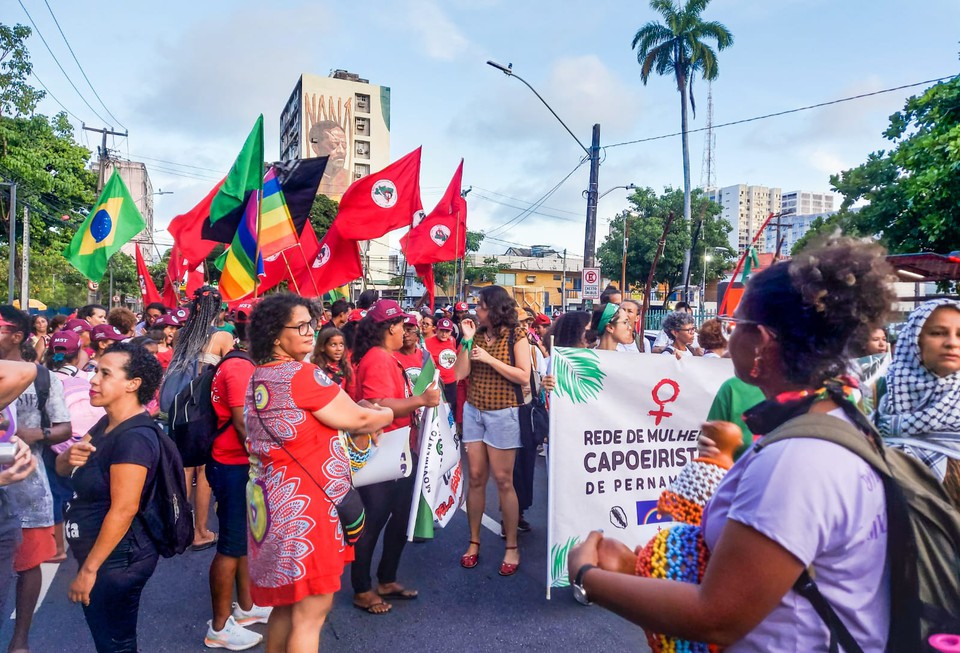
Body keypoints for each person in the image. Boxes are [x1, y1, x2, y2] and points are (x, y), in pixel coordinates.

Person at [567, 236, 896, 651]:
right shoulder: (838, 418)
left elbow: (717, 617)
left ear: (761, 341)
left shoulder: (794, 463)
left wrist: (588, 578)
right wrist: (636, 566)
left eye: (734, 325)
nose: (726, 335)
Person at [244, 294, 393, 650]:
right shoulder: (302, 374)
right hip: (308, 510)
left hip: (270, 506)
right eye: (300, 326)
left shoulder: (258, 377)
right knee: (311, 616)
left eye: (310, 323)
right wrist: (385, 414)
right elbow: (358, 418)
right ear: (275, 336)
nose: (311, 331)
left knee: (284, 607)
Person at [56, 342, 164, 653]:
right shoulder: (107, 423)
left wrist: (88, 571)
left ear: (133, 384)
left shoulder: (134, 439)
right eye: (95, 371)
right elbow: (66, 467)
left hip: (117, 562)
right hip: (104, 557)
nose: (93, 379)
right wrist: (67, 458)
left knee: (115, 645)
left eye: (105, 373)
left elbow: (124, 509)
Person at [350, 300, 440, 614]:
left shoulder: (386, 357)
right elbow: (376, 404)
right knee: (374, 520)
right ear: (390, 327)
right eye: (403, 325)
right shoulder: (378, 358)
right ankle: (362, 588)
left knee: (402, 517)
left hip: (399, 447)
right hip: (382, 448)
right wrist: (421, 400)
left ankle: (386, 579)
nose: (407, 331)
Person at [0, 305, 73, 653]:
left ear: (17, 335)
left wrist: (34, 433)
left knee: (28, 565)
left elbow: (65, 429)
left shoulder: (44, 378)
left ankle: (20, 640)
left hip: (27, 488)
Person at [454, 286, 530, 577]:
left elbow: (523, 375)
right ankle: (474, 542)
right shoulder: (475, 336)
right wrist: (468, 341)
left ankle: (511, 545)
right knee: (475, 478)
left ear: (495, 309)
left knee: (503, 480)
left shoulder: (516, 335)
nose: (476, 310)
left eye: (481, 306)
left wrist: (488, 359)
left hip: (503, 413)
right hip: (474, 411)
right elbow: (460, 373)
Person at [203, 337, 267, 650]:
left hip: (236, 463)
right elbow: (244, 424)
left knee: (242, 540)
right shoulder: (240, 367)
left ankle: (245, 607)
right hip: (232, 464)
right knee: (230, 545)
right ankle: (218, 628)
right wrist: (267, 458)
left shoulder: (240, 363)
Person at [164, 286, 235, 551]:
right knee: (205, 470)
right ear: (219, 310)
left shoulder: (181, 335)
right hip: (204, 410)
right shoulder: (222, 338)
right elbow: (231, 372)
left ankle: (178, 528)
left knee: (183, 469)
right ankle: (199, 531)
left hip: (176, 409)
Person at [874, 298, 960, 503]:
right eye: (937, 333)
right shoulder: (879, 396)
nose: (951, 342)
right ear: (915, 340)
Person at [44, 330, 107, 563]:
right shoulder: (90, 378)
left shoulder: (43, 378)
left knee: (56, 494)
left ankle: (58, 548)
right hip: (89, 442)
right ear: (79, 351)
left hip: (54, 445)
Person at [308, 120, 350, 197]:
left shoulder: (351, 178)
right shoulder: (305, 179)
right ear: (316, 148)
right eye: (333, 146)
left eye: (344, 146)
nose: (341, 151)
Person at [425, 318, 459, 408]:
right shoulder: (427, 343)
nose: (444, 334)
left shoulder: (452, 341)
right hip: (436, 384)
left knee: (451, 410)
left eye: (447, 331)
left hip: (451, 383)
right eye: (442, 330)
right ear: (436, 330)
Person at [312, 327, 355, 396]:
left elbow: (352, 394)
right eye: (333, 345)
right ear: (322, 347)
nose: (338, 349)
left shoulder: (346, 369)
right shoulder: (315, 369)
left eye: (341, 345)